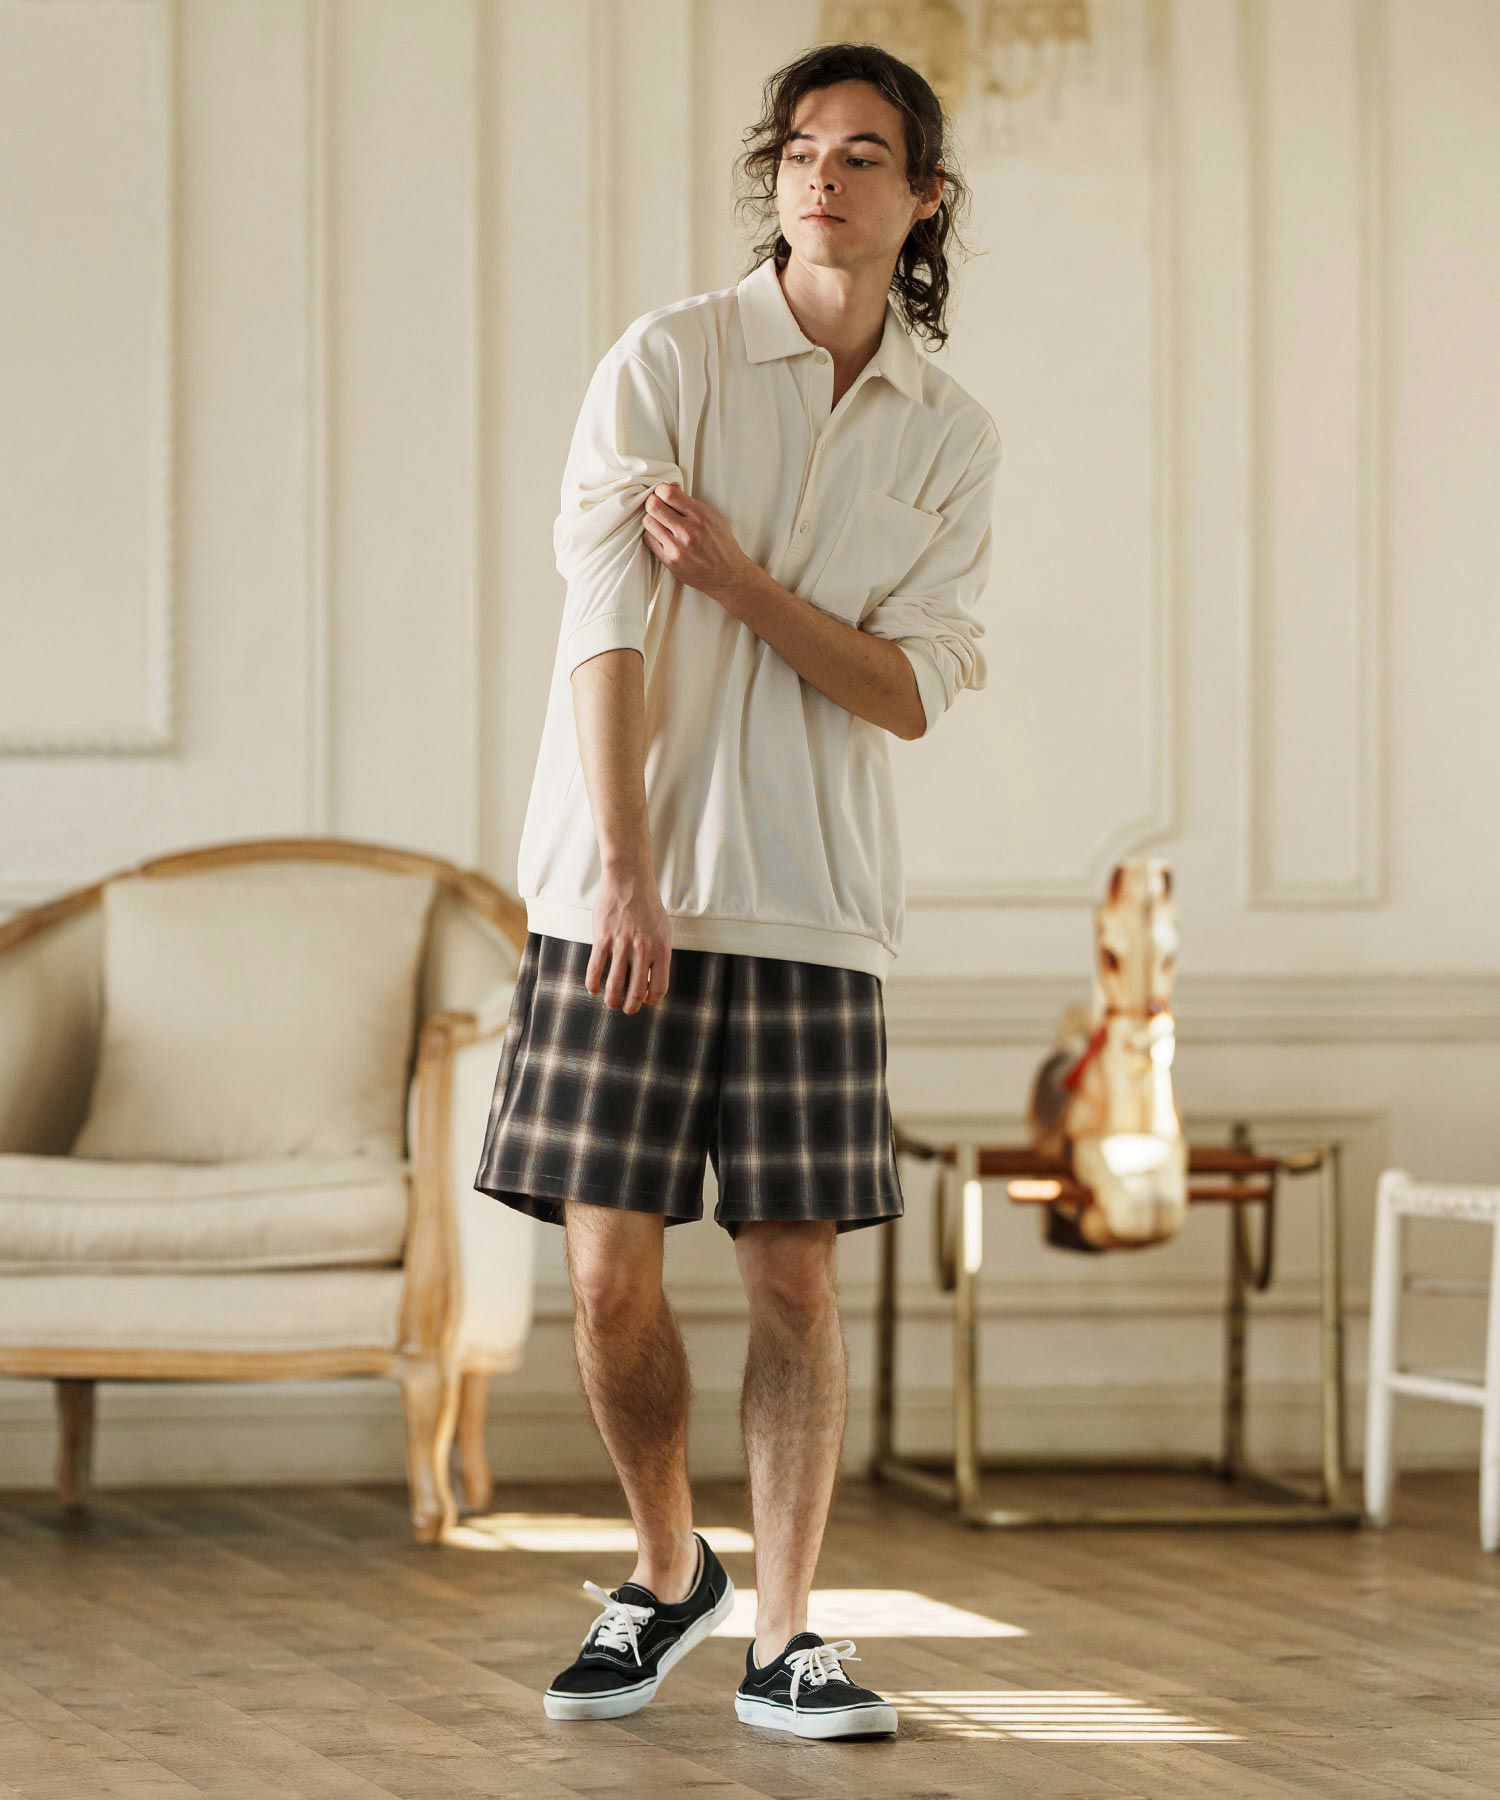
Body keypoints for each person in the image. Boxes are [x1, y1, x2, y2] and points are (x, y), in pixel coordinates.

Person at [474, 40, 1000, 1743]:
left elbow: (908, 691)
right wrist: (626, 870)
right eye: (799, 149)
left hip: (812, 909)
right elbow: (606, 620)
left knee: (795, 1281)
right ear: (774, 177)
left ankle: (786, 1636)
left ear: (924, 197)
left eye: (863, 153)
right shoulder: (669, 360)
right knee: (606, 1279)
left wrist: (752, 586)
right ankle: (665, 1570)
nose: (821, 175)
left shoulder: (953, 434)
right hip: (611, 895)